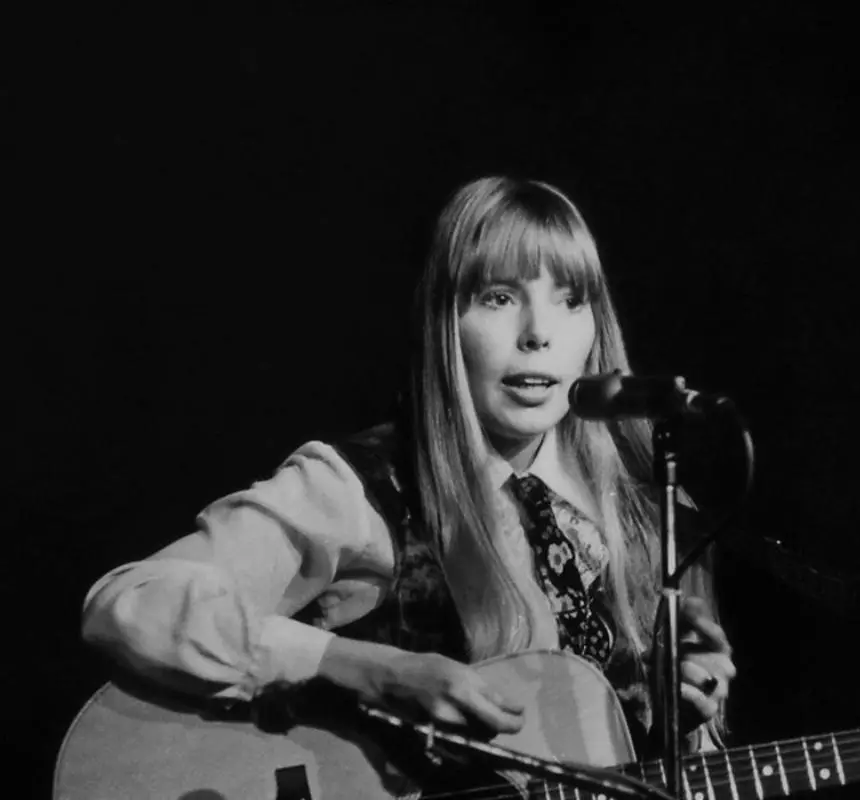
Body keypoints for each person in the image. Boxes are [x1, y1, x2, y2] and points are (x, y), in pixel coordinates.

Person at [80, 175, 735, 763]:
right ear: (444, 321)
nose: (539, 333)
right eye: (499, 297)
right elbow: (131, 600)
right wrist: (364, 667)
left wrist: (677, 730)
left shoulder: (648, 517)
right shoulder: (365, 487)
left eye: (570, 300)